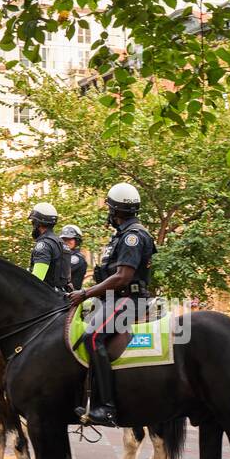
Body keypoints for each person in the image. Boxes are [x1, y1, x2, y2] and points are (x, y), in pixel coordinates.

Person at [66, 182, 154, 427]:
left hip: (128, 299)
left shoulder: (133, 236)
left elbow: (123, 276)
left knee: (93, 338)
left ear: (115, 211)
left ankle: (107, 408)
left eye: (109, 209)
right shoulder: (121, 235)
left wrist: (86, 293)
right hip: (113, 299)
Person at [27, 202, 72, 292]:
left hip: (46, 299)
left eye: (33, 222)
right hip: (62, 297)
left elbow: (37, 279)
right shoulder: (62, 243)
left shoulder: (44, 245)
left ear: (37, 224)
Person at [60, 224, 88, 291]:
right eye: (64, 239)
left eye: (70, 239)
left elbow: (59, 271)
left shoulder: (76, 258)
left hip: (70, 297)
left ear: (77, 241)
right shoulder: (64, 255)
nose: (66, 242)